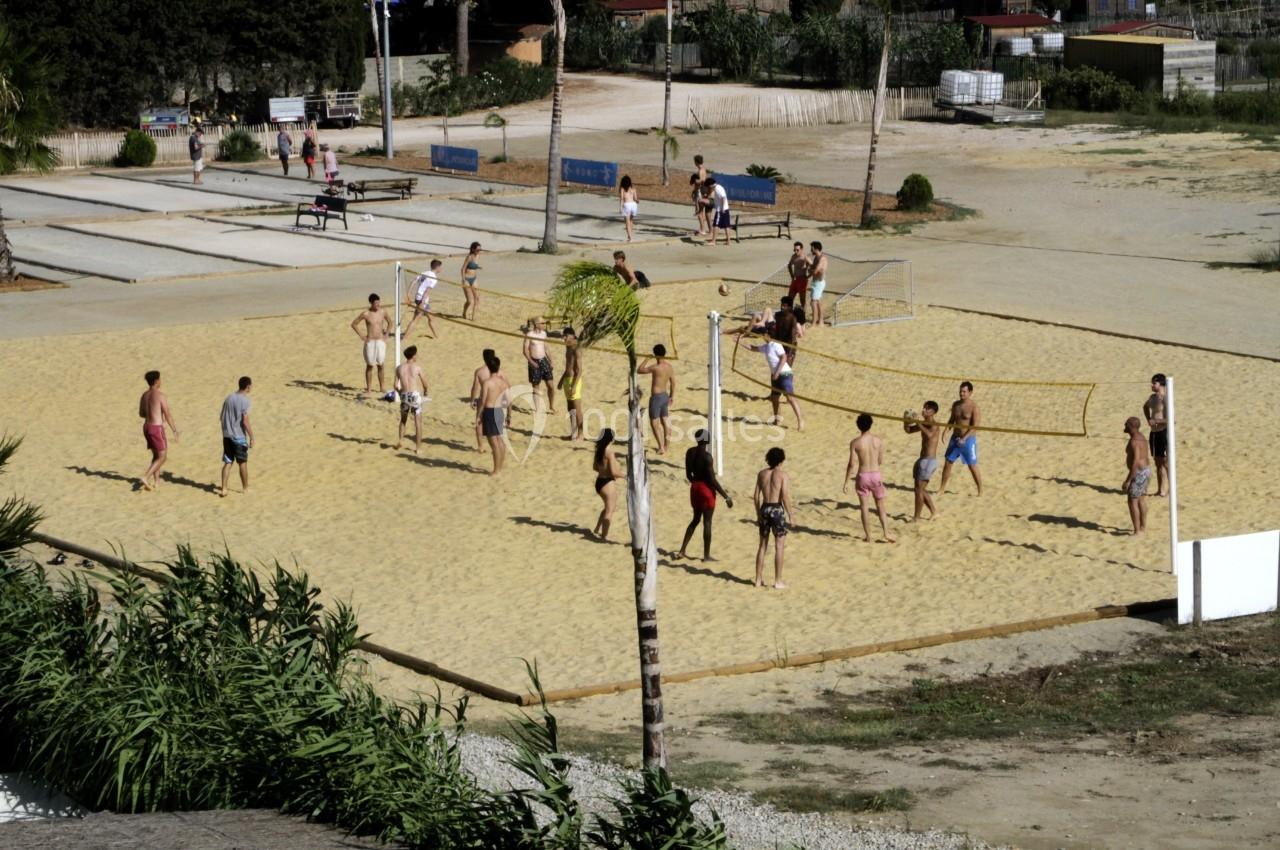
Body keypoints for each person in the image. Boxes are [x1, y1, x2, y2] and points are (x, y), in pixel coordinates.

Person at [676, 429, 733, 561]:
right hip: (706, 490)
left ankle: (682, 550)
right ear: (706, 440)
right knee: (707, 522)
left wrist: (695, 484)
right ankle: (706, 556)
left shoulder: (690, 452)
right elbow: (712, 480)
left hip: (694, 487)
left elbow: (688, 474)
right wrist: (726, 497)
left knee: (695, 520)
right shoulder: (707, 457)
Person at [844, 413, 895, 543]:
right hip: (876, 474)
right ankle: (886, 532)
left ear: (858, 426)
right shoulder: (878, 440)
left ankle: (868, 536)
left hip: (862, 475)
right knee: (880, 506)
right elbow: (880, 460)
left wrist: (846, 481)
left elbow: (851, 464)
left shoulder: (855, 443)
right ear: (871, 424)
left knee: (864, 507)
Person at [753, 447, 792, 589]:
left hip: (764, 508)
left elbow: (756, 496)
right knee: (779, 546)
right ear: (781, 460)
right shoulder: (782, 475)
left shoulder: (761, 474)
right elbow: (785, 496)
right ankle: (778, 580)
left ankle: (758, 579)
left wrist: (758, 513)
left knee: (762, 546)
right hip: (776, 509)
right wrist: (791, 515)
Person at [748, 336, 804, 431]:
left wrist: (777, 372)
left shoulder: (776, 344)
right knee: (774, 398)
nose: (762, 337)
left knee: (790, 398)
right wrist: (739, 342)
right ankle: (777, 420)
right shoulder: (766, 346)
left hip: (784, 373)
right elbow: (753, 348)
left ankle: (800, 420)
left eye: (764, 334)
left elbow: (784, 357)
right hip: (775, 375)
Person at [138, 370, 179, 492]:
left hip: (146, 427)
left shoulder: (144, 395)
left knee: (156, 455)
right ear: (156, 381)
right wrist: (175, 430)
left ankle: (156, 482)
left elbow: (141, 414)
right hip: (156, 428)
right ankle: (146, 477)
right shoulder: (160, 396)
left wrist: (151, 412)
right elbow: (168, 414)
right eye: (160, 379)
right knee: (163, 457)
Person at [939, 381, 983, 495]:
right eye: (960, 391)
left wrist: (964, 438)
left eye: (964, 391)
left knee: (972, 465)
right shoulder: (956, 405)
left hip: (968, 440)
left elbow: (975, 426)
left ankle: (980, 490)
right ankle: (942, 489)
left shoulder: (974, 407)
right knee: (948, 462)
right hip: (955, 438)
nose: (961, 393)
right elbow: (952, 420)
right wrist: (945, 431)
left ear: (970, 392)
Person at [903, 401, 941, 522]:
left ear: (933, 412)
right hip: (923, 459)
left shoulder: (934, 424)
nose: (923, 410)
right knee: (919, 489)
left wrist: (918, 422)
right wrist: (906, 421)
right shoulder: (924, 423)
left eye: (927, 409)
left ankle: (917, 517)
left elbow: (929, 435)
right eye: (924, 408)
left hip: (929, 461)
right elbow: (909, 431)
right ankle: (934, 512)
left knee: (919, 489)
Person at [219, 376, 254, 497]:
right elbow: (245, 421)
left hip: (227, 435)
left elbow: (221, 416)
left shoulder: (229, 398)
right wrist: (252, 436)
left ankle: (224, 488)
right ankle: (245, 488)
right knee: (242, 462)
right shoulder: (246, 401)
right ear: (248, 386)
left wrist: (225, 431)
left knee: (228, 462)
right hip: (238, 437)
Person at [477, 356, 511, 475]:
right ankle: (500, 467)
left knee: (494, 443)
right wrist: (509, 416)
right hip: (500, 411)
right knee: (500, 440)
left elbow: (483, 400)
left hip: (490, 411)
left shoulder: (488, 383)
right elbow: (508, 401)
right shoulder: (504, 383)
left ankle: (496, 470)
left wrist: (479, 415)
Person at [638, 344, 675, 454]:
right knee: (665, 421)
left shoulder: (655, 367)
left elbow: (639, 370)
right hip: (665, 396)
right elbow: (673, 383)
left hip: (656, 398)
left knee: (654, 423)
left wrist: (646, 359)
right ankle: (666, 446)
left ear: (655, 355)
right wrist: (671, 396)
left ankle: (661, 447)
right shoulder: (669, 367)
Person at [351, 293, 391, 394]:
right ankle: (369, 388)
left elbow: (390, 322)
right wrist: (362, 336)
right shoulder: (366, 314)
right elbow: (354, 324)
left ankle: (382, 387)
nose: (378, 305)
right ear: (371, 303)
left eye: (379, 302)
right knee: (370, 365)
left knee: (381, 364)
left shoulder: (383, 312)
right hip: (370, 341)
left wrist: (386, 334)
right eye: (376, 303)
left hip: (380, 341)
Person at [592, 429, 626, 540]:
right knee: (610, 510)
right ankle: (604, 535)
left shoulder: (598, 450)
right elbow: (614, 472)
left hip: (599, 482)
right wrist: (626, 476)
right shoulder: (609, 453)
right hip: (607, 483)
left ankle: (597, 528)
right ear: (610, 440)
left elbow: (595, 467)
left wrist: (604, 470)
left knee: (607, 507)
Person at [395, 346, 429, 454]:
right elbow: (425, 384)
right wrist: (426, 392)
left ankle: (400, 440)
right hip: (414, 395)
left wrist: (401, 393)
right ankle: (418, 447)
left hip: (404, 395)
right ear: (413, 356)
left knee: (403, 419)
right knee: (417, 422)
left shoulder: (399, 368)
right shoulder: (417, 367)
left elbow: (396, 385)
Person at [1122, 416, 1151, 535]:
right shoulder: (1141, 436)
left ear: (1132, 427)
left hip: (1139, 473)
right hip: (1146, 471)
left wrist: (1128, 480)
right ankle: (1143, 527)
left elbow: (1135, 461)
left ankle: (1137, 530)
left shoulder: (1134, 441)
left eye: (1127, 424)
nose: (1125, 426)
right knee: (1140, 500)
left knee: (1132, 501)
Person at [523, 316, 557, 414]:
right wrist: (531, 361)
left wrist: (551, 360)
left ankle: (551, 406)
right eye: (542, 323)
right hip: (534, 361)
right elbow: (525, 350)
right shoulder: (529, 334)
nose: (544, 325)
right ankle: (537, 409)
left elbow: (546, 348)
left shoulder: (543, 334)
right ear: (537, 324)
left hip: (544, 360)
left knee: (550, 386)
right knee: (536, 387)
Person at [1143, 373, 1169, 497]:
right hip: (1154, 433)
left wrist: (1156, 421)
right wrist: (1149, 419)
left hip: (1163, 432)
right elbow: (1145, 407)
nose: (1151, 385)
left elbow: (1171, 419)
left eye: (1154, 383)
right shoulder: (1153, 398)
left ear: (1161, 384)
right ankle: (1160, 490)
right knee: (1157, 462)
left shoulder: (1165, 398)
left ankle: (1171, 489)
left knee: (1166, 462)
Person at [403, 260, 441, 339]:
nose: (441, 269)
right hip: (422, 300)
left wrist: (408, 294)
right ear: (437, 267)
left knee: (431, 317)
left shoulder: (424, 273)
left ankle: (436, 336)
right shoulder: (434, 278)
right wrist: (422, 303)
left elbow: (413, 282)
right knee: (416, 319)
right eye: (440, 267)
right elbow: (427, 291)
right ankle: (405, 337)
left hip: (418, 298)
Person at [469, 349, 498, 452]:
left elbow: (475, 387)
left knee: (479, 422)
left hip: (483, 399)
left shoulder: (479, 371)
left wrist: (472, 400)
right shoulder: (497, 370)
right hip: (494, 399)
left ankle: (480, 446)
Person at [561, 326, 584, 441]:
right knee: (570, 408)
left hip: (575, 380)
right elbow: (568, 366)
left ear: (573, 336)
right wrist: (561, 380)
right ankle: (573, 433)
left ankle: (581, 434)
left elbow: (579, 370)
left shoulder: (576, 348)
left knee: (577, 408)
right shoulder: (568, 347)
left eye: (566, 336)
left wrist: (574, 386)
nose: (564, 338)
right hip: (567, 379)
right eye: (563, 336)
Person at [706, 177, 731, 247]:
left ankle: (713, 241)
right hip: (725, 209)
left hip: (721, 210)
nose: (709, 188)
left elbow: (723, 197)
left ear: (710, 185)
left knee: (715, 225)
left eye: (708, 186)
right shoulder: (718, 187)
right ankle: (728, 241)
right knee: (726, 225)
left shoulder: (717, 188)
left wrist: (722, 208)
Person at [808, 241, 828, 327]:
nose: (810, 250)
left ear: (816, 248)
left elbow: (815, 271)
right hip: (816, 282)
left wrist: (810, 270)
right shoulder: (816, 258)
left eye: (812, 248)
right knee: (818, 302)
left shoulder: (822, 258)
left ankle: (814, 322)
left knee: (813, 302)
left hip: (819, 283)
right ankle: (821, 322)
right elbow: (813, 269)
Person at [461, 242, 482, 321]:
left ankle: (473, 317)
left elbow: (474, 265)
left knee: (477, 298)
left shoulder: (478, 256)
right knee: (469, 301)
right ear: (473, 249)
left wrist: (478, 267)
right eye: (477, 250)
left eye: (480, 249)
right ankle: (464, 312)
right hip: (466, 279)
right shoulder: (469, 257)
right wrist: (463, 279)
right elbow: (463, 269)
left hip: (474, 278)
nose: (479, 251)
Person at [787, 241, 809, 308]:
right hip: (795, 279)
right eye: (794, 250)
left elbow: (812, 265)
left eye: (797, 250)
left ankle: (803, 315)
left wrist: (808, 275)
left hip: (802, 280)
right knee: (789, 298)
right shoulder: (793, 256)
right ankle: (790, 314)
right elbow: (789, 265)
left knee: (802, 300)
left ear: (802, 249)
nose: (796, 251)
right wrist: (792, 275)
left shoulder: (805, 257)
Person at [619, 174, 638, 242]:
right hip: (634, 205)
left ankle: (630, 237)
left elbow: (621, 199)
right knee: (631, 221)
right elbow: (636, 199)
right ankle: (630, 235)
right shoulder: (633, 189)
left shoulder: (623, 189)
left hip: (627, 205)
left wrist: (620, 208)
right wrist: (637, 201)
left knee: (627, 222)